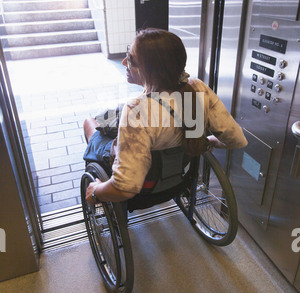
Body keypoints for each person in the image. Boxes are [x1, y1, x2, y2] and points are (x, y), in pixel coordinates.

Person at [84, 28, 247, 204]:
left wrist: (96, 191)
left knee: (90, 123)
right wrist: (211, 141)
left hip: (144, 186)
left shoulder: (136, 110)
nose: (124, 62)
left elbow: (125, 186)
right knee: (108, 116)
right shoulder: (198, 89)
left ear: (152, 71)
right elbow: (236, 138)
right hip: (179, 178)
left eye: (131, 59)